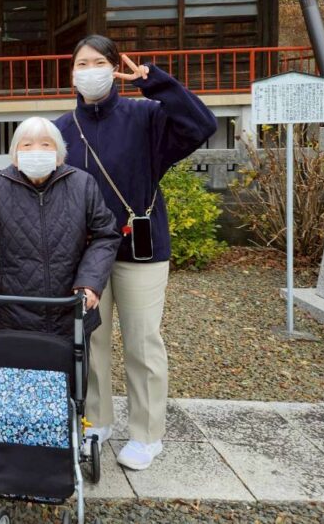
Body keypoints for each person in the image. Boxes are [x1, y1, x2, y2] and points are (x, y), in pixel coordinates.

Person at [54, 34, 217, 471]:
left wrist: (156, 83)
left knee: (144, 340)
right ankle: (98, 419)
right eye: (80, 63)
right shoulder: (62, 128)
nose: (87, 70)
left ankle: (147, 434)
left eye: (96, 62)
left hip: (140, 247)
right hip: (84, 254)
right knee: (91, 338)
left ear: (114, 68)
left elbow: (202, 125)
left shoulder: (146, 116)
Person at [0, 117, 120, 338]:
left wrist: (91, 281)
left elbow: (105, 235)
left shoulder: (83, 184)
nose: (36, 150)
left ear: (59, 155)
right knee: (18, 369)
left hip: (71, 308)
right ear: (15, 156)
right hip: (14, 312)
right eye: (27, 145)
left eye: (46, 144)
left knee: (71, 371)